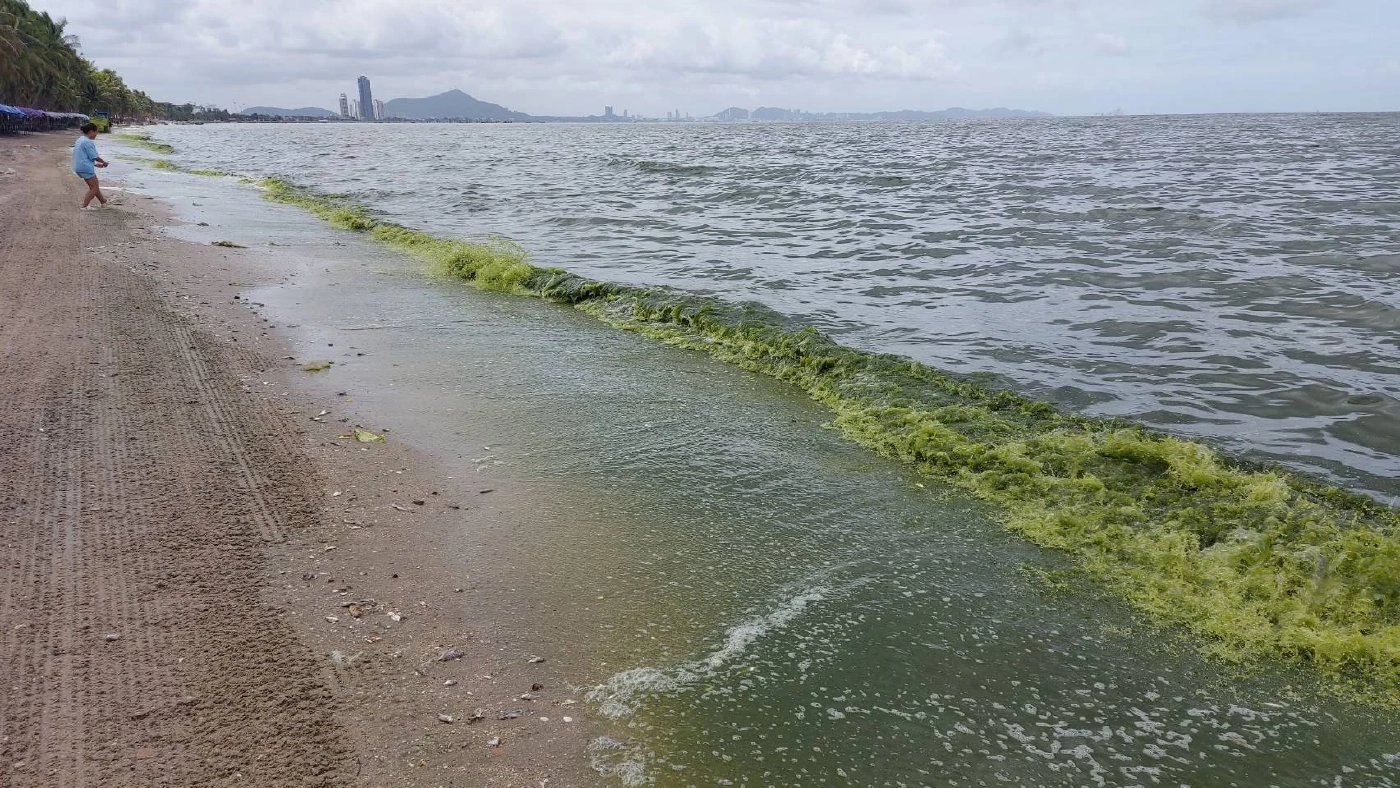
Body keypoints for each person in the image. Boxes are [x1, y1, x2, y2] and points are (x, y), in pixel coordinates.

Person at [73, 122, 109, 209]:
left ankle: (103, 201)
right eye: (96, 132)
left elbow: (83, 155)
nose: (96, 134)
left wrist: (95, 164)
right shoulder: (88, 142)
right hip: (85, 167)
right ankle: (85, 206)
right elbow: (94, 156)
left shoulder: (80, 139)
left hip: (79, 166)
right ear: (91, 131)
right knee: (94, 188)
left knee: (94, 186)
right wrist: (104, 162)